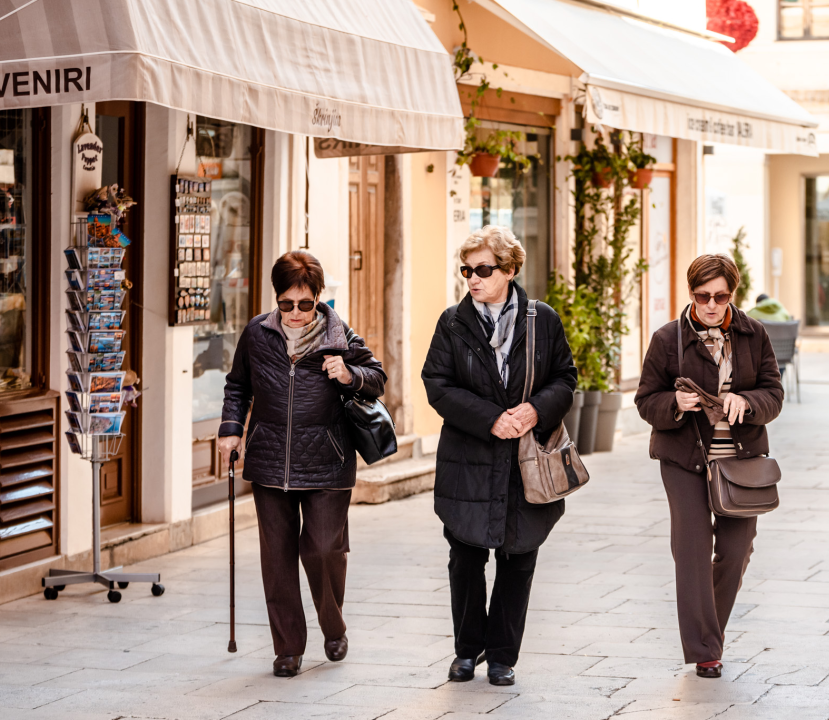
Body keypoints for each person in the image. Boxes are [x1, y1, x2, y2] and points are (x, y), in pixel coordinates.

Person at [218, 251, 386, 677]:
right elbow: (238, 385)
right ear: (277, 299)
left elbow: (378, 377)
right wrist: (231, 428)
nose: (294, 313)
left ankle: (333, 625)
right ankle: (288, 647)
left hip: (328, 460)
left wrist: (349, 374)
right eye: (286, 303)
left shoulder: (339, 334)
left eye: (304, 303)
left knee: (324, 548)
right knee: (276, 558)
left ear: (318, 299)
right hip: (270, 459)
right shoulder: (257, 333)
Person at [422, 225, 577, 686]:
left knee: (519, 555)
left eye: (483, 270)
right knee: (465, 557)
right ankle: (467, 651)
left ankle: (504, 656)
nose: (472, 278)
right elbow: (437, 384)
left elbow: (565, 378)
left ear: (509, 270)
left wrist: (534, 410)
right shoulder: (452, 322)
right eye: (466, 270)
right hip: (468, 460)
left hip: (526, 461)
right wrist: (491, 418)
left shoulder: (541, 319)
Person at [635, 254, 783, 679]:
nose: (712, 305)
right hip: (683, 459)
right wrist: (673, 404)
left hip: (741, 462)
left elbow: (773, 392)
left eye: (721, 296)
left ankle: (706, 630)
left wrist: (748, 401)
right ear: (691, 294)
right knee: (692, 551)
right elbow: (646, 400)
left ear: (732, 294)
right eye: (703, 296)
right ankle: (706, 650)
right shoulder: (667, 339)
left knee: (736, 551)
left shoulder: (754, 334)